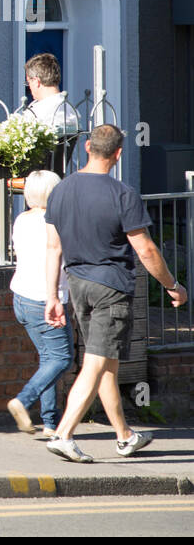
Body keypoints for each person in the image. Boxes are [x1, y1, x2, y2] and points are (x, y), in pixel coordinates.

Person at [43, 125, 188, 462]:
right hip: (111, 287)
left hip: (77, 283)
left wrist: (53, 295)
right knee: (95, 363)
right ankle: (63, 433)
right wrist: (172, 286)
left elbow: (53, 248)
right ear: (118, 154)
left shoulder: (61, 190)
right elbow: (147, 250)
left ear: (88, 147)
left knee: (106, 361)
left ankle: (124, 436)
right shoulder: (122, 194)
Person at [6, 170, 73, 439]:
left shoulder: (22, 219)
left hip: (21, 298)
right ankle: (23, 400)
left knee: (48, 360)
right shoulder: (56, 222)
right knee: (62, 359)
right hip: (45, 299)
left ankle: (50, 424)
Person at [20, 53, 80, 135]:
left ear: (36, 81)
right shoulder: (71, 110)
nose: (29, 87)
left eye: (28, 82)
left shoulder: (37, 112)